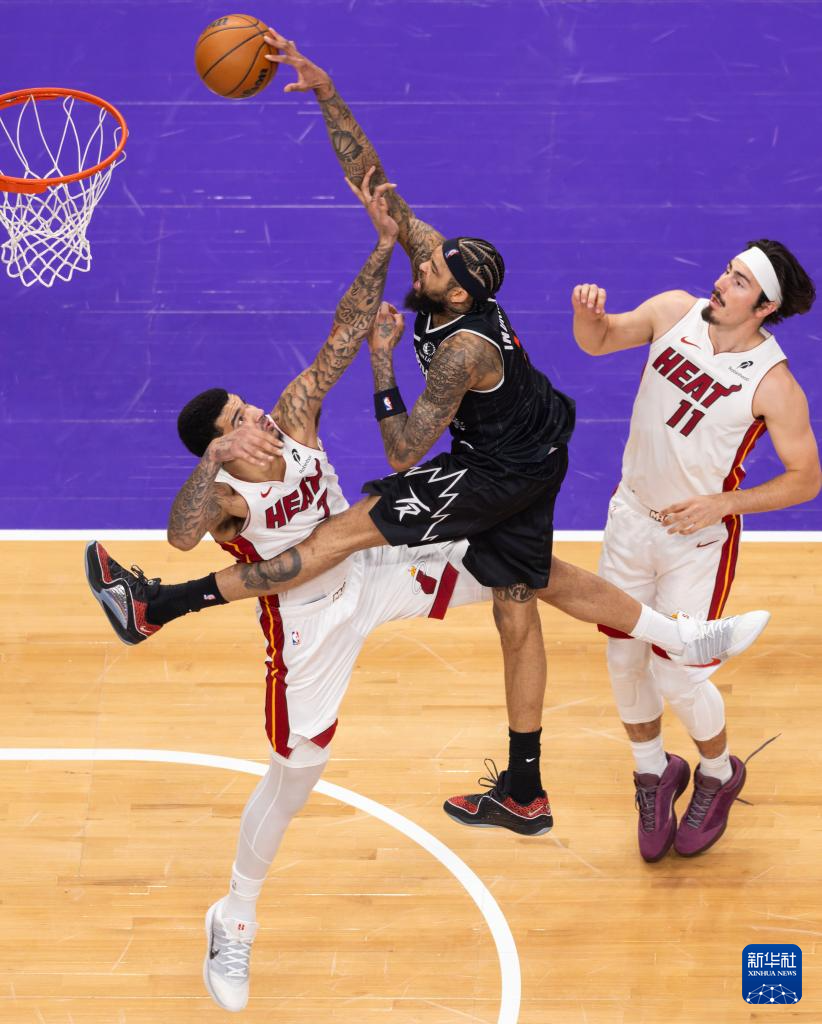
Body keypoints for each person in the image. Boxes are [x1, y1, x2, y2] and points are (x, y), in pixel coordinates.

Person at [87, 36, 771, 845]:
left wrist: (383, 362)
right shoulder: (446, 282)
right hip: (534, 445)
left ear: (459, 294)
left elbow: (403, 451)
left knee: (344, 532)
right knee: (524, 593)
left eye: (438, 264)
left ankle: (162, 605)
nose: (428, 257)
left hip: (499, 465)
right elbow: (374, 181)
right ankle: (532, 784)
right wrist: (324, 89)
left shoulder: (461, 351)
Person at [572, 240, 819, 861]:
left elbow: (806, 479)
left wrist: (724, 504)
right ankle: (653, 772)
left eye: (739, 282)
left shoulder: (774, 384)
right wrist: (587, 315)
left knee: (676, 671)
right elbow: (598, 342)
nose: (721, 283)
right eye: (727, 271)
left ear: (764, 307)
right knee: (624, 658)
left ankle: (717, 773)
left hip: (697, 541)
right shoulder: (672, 311)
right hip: (630, 519)